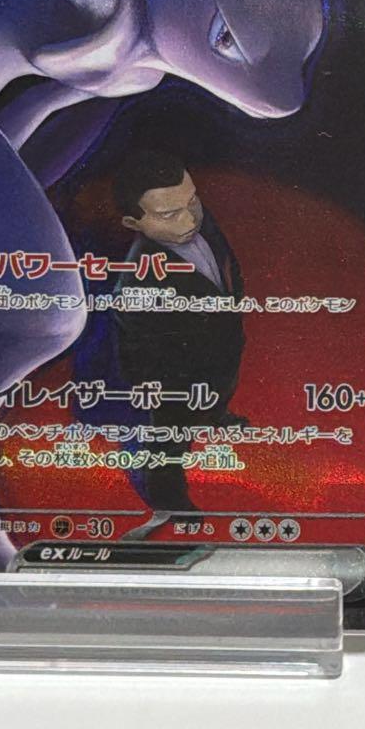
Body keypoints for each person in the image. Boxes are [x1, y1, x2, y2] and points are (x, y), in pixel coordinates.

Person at [112, 150, 246, 527]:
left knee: (221, 389)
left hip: (220, 348)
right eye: (170, 214)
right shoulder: (136, 280)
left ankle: (216, 413)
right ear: (132, 222)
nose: (190, 220)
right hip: (175, 380)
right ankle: (169, 499)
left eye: (193, 202)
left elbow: (225, 262)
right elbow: (137, 351)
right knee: (169, 439)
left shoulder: (201, 221)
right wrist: (164, 389)